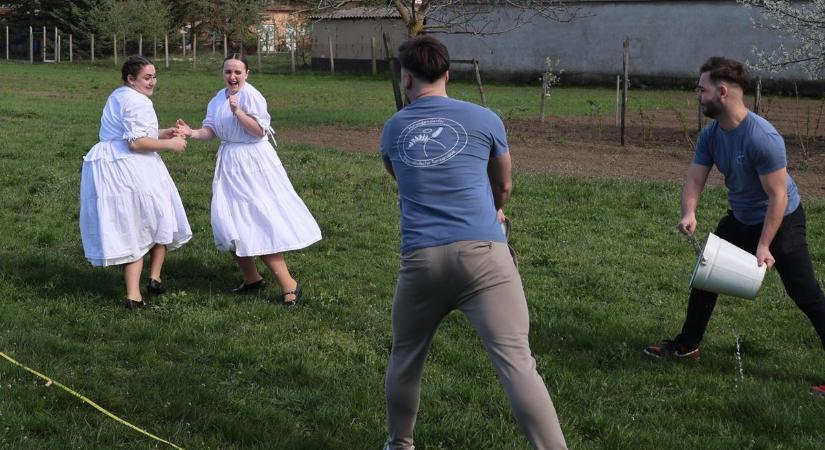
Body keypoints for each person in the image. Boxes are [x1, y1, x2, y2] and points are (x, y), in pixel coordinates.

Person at [380, 36, 567, 450]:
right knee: (518, 364)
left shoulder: (394, 128)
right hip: (485, 258)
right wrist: (492, 209)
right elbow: (503, 186)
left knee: (406, 358)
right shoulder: (485, 119)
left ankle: (399, 444)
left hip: (422, 261)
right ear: (448, 74)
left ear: (406, 79)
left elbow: (404, 181)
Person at [644, 56, 825, 397]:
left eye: (702, 89)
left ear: (722, 92)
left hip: (781, 221)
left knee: (806, 295)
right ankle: (688, 345)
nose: (697, 96)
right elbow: (695, 180)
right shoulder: (712, 135)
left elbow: (778, 198)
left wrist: (764, 245)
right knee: (705, 276)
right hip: (742, 218)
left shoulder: (763, 138)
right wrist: (689, 213)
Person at [175, 54, 321, 306]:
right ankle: (252, 278)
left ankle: (290, 285)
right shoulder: (217, 99)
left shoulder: (252, 95)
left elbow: (258, 131)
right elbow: (211, 130)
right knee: (228, 222)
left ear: (246, 74)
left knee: (257, 222)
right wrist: (191, 132)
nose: (232, 77)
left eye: (237, 72)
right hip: (230, 163)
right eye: (228, 72)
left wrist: (238, 112)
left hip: (254, 163)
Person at [80, 55, 192, 309]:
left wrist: (164, 133)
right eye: (147, 77)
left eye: (154, 76)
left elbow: (131, 133)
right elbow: (136, 142)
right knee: (145, 222)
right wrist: (170, 144)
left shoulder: (119, 95)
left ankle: (141, 289)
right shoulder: (138, 101)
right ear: (131, 79)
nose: (153, 82)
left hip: (111, 163)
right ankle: (138, 291)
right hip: (128, 166)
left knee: (140, 223)